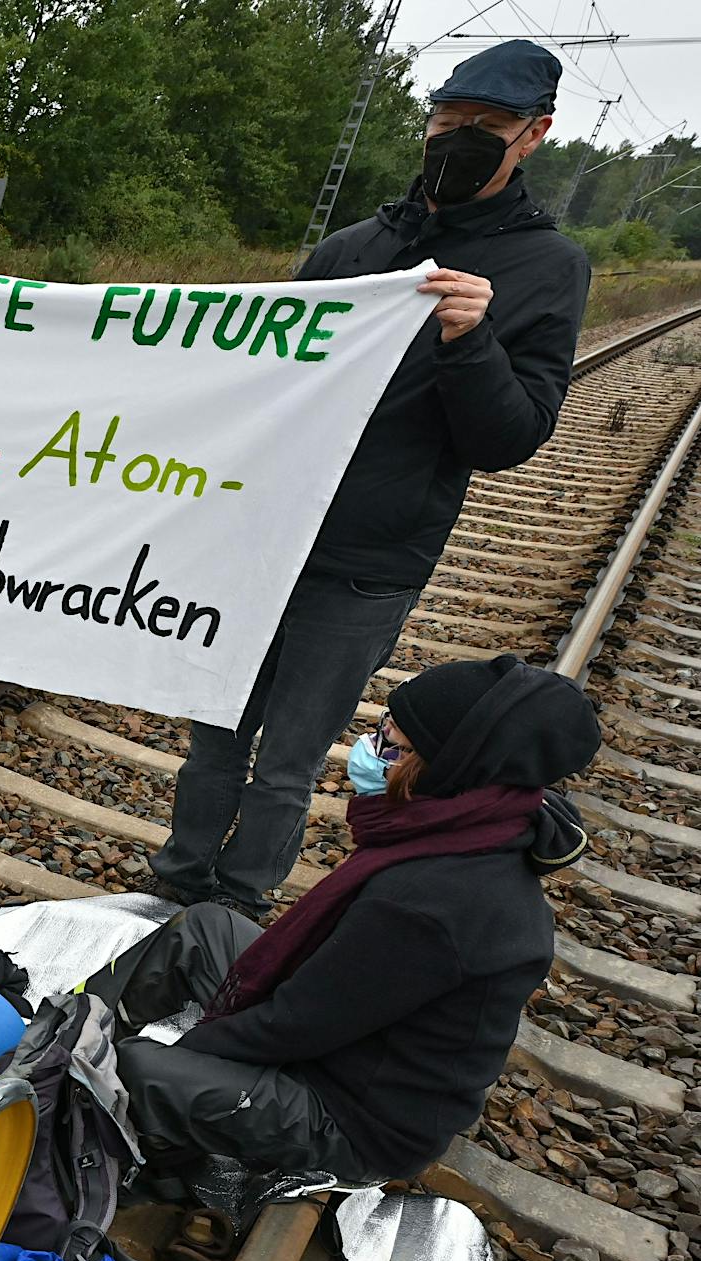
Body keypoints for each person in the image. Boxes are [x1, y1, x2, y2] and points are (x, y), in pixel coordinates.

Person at [152, 40, 589, 920]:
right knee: (213, 738)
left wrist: (474, 342)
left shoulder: (549, 268)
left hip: (369, 561)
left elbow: (512, 438)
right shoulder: (356, 247)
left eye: (489, 128)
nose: (460, 140)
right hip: (260, 541)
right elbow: (258, 378)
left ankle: (236, 912)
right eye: (447, 122)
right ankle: (173, 886)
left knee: (288, 757)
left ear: (533, 135)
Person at [99, 656, 599, 1183]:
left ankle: (98, 1092)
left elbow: (297, 1023)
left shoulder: (433, 900)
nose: (371, 750)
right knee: (206, 928)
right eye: (383, 728)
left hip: (356, 1117)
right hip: (344, 1049)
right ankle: (83, 1024)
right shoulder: (467, 830)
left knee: (135, 1072)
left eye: (395, 746)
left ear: (452, 767)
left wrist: (187, 1054)